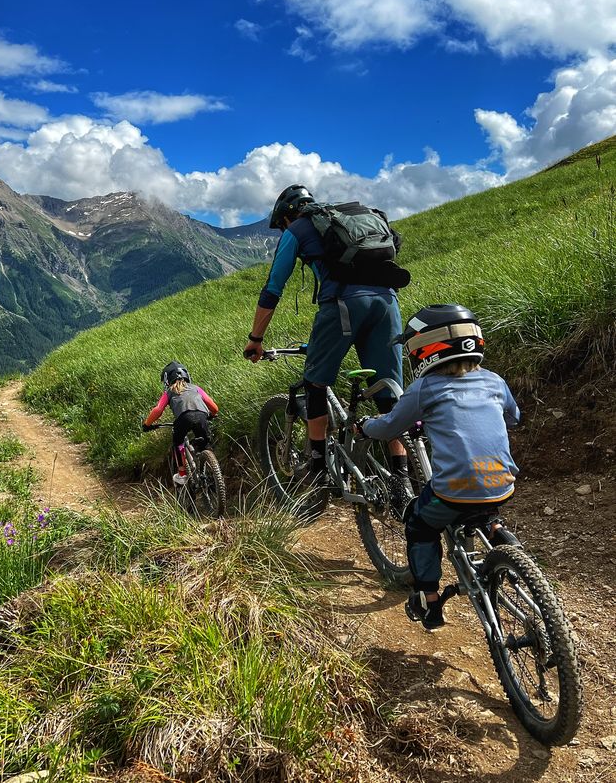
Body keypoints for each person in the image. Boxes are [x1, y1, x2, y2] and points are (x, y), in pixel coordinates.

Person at [243, 184, 411, 503]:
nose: (283, 230)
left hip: (344, 304)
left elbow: (273, 288)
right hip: (388, 302)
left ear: (287, 216)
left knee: (315, 385)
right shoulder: (350, 218)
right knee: (389, 395)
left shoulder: (298, 228)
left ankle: (319, 475)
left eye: (281, 225)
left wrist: (256, 339)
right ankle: (402, 480)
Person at [358, 304, 520, 632]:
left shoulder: (425, 388)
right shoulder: (494, 380)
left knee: (419, 522)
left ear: (424, 350)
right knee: (483, 505)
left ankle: (429, 600)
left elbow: (390, 427)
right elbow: (513, 417)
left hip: (454, 490)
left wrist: (365, 426)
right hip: (503, 482)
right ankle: (500, 540)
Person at [142, 361, 219, 486]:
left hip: (183, 418)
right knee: (205, 444)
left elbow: (158, 410)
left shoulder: (169, 392)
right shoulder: (196, 388)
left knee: (178, 443)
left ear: (167, 380)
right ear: (187, 375)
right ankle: (213, 472)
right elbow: (214, 407)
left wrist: (147, 424)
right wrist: (212, 414)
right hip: (202, 416)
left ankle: (182, 474)